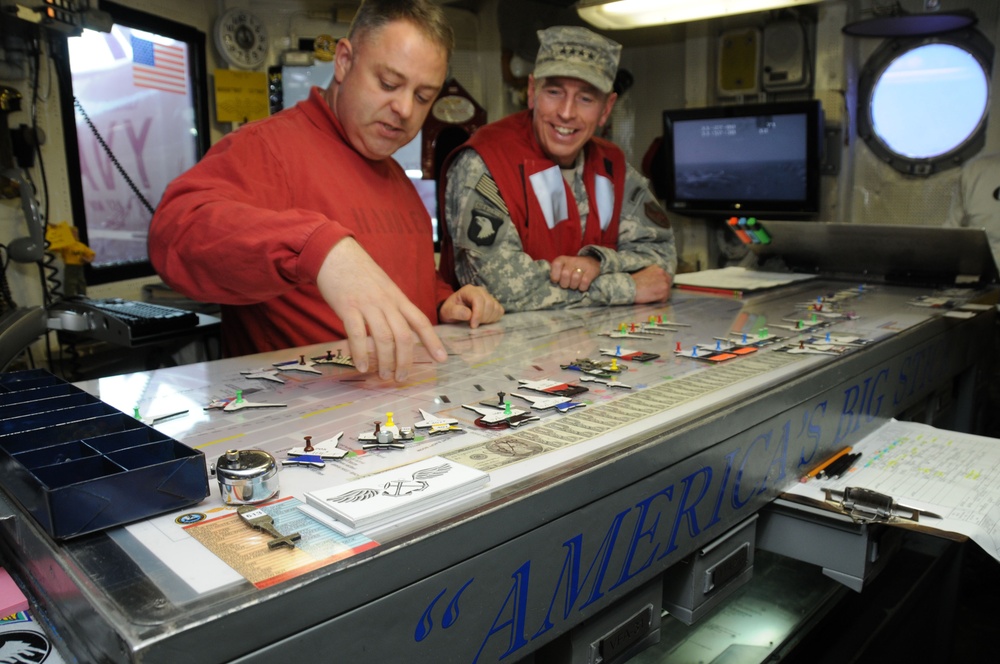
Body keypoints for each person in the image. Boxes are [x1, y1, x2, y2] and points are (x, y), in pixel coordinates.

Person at [149, 0, 503, 382]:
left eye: (422, 97)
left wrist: (443, 301)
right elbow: (174, 232)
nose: (404, 108)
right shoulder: (269, 148)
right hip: (305, 413)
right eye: (388, 83)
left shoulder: (399, 179)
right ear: (344, 61)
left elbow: (403, 279)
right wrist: (319, 250)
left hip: (407, 408)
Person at [440, 25, 677, 312]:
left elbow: (661, 262)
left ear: (606, 108)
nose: (566, 112)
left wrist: (597, 262)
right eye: (554, 92)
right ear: (532, 91)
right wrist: (626, 286)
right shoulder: (486, 162)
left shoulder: (611, 167)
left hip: (595, 338)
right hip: (501, 340)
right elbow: (501, 288)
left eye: (586, 98)